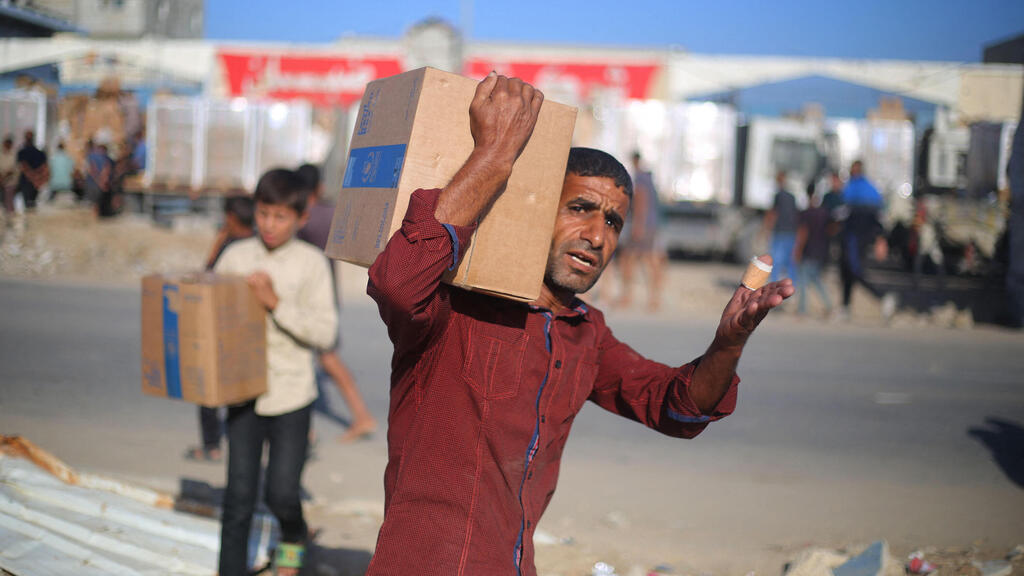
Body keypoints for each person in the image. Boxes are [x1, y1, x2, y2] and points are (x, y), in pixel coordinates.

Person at [364, 74, 793, 576]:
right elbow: (397, 283)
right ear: (538, 210)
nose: (596, 235)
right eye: (581, 209)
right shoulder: (455, 306)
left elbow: (678, 408)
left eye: (613, 222)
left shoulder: (585, 333)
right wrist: (495, 155)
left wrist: (728, 342)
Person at [213, 169, 338, 576]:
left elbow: (326, 332)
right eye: (264, 213)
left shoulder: (312, 263)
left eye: (280, 216)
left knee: (283, 494)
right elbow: (209, 321)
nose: (269, 224)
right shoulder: (234, 257)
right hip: (242, 394)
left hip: (291, 396)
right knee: (239, 498)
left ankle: (292, 544)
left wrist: (274, 302)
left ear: (301, 219)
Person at [294, 163, 377, 443]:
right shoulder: (331, 215)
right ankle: (305, 427)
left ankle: (360, 416)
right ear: (318, 187)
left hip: (307, 299)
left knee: (325, 358)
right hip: (327, 295)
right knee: (316, 358)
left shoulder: (302, 218)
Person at [184, 195, 256, 463]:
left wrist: (217, 242)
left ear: (231, 218)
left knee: (209, 389)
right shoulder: (256, 245)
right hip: (244, 329)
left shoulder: (231, 248)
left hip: (221, 327)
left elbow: (209, 272)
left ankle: (212, 445)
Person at [837, 160, 897, 322]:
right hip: (859, 238)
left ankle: (882, 297)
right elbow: (879, 218)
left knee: (854, 270)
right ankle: (845, 307)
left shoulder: (853, 188)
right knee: (848, 272)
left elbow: (841, 211)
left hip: (854, 238)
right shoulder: (871, 189)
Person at [614, 150, 666, 311]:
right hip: (651, 225)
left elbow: (641, 203)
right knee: (650, 260)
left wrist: (638, 227)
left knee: (629, 260)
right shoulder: (648, 177)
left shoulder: (639, 178)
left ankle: (628, 296)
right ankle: (653, 299)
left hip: (642, 226)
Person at [793, 182, 833, 318]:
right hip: (820, 251)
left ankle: (802, 309)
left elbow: (803, 233)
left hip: (808, 251)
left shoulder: (806, 213)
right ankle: (828, 305)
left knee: (804, 281)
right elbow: (831, 230)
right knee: (815, 279)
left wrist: (797, 250)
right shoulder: (824, 213)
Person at [761, 170, 799, 283]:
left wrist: (766, 229)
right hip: (791, 232)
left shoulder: (778, 196)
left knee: (776, 261)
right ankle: (791, 287)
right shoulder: (792, 197)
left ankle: (773, 285)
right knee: (790, 262)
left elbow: (773, 213)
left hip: (780, 232)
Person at [16, 130, 48, 210]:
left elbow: (43, 167)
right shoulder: (23, 152)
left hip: (31, 181)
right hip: (33, 181)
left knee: (30, 205)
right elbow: (23, 166)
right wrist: (35, 178)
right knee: (31, 205)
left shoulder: (23, 152)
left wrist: (33, 177)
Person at [85, 141, 113, 216]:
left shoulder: (91, 156)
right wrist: (102, 181)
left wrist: (99, 180)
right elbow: (106, 169)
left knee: (96, 201)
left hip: (94, 182)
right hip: (99, 183)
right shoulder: (106, 158)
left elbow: (91, 169)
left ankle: (96, 214)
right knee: (98, 200)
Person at [0, 136, 17, 217]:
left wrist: (4, 177)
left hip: (10, 181)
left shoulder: (13, 155)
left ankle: (9, 216)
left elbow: (13, 168)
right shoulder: (1, 154)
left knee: (9, 201)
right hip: (1, 180)